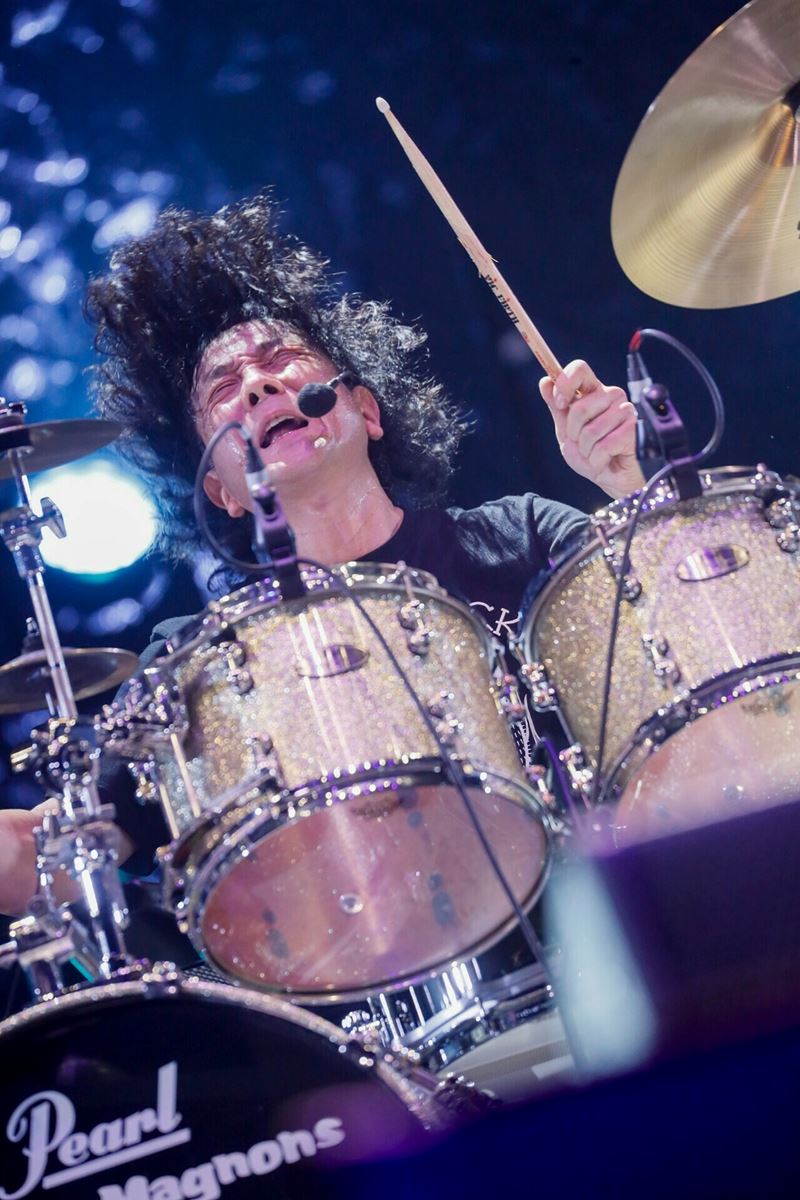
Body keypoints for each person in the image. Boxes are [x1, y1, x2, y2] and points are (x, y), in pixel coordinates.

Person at [0, 192, 641, 917]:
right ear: (221, 492)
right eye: (224, 389)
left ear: (366, 410)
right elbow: (68, 848)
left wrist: (625, 481)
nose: (258, 383)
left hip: (604, 924)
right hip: (378, 975)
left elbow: (685, 643)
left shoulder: (521, 540)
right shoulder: (199, 666)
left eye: (282, 360)